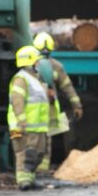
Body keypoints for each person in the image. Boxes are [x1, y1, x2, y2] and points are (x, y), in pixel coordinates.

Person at [32, 32, 83, 172]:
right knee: (39, 139)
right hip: (38, 110)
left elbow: (67, 87)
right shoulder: (34, 65)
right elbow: (68, 87)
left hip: (45, 109)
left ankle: (41, 169)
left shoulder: (53, 66)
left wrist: (76, 105)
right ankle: (35, 168)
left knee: (45, 138)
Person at [7, 45, 51, 190]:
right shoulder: (21, 79)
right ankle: (23, 181)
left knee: (36, 153)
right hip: (22, 125)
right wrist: (22, 120)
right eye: (37, 61)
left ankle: (30, 178)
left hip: (36, 126)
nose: (39, 64)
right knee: (23, 153)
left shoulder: (34, 79)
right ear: (30, 62)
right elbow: (17, 100)